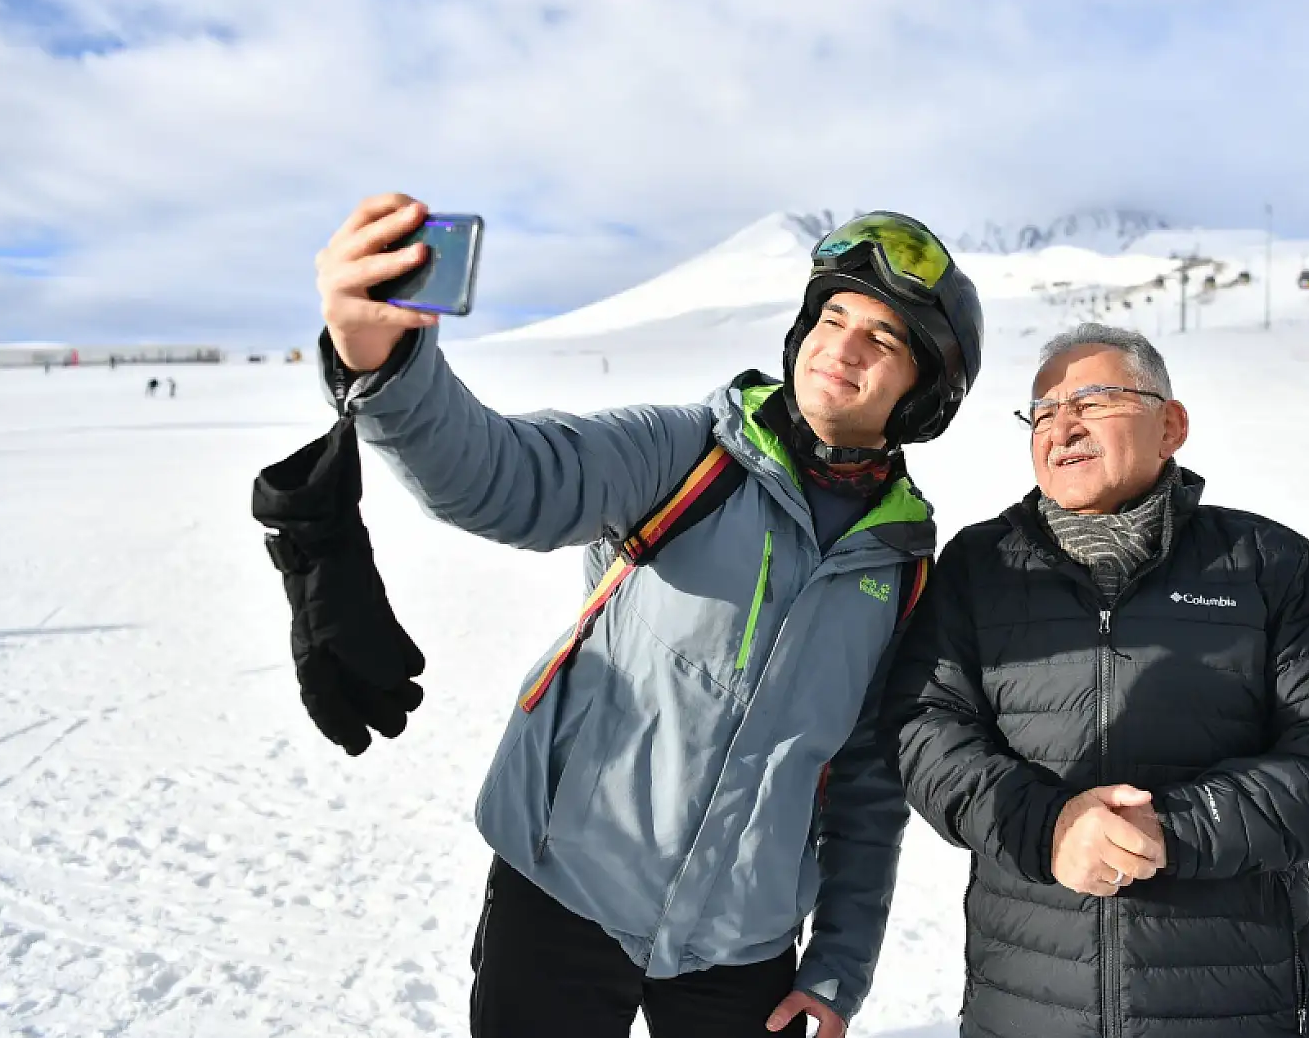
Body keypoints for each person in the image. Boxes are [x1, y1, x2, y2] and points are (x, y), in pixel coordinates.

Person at [312, 195, 984, 1038]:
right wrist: (387, 362)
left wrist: (839, 965)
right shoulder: (690, 455)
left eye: (882, 339)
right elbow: (510, 476)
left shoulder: (900, 564)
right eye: (833, 315)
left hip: (743, 945)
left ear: (926, 393)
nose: (839, 347)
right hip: (565, 891)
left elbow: (865, 785)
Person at [886, 324, 1309, 1038]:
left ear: (1171, 425)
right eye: (1041, 412)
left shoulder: (1267, 565)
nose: (1061, 425)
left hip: (1233, 1005)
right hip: (1028, 1002)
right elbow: (924, 728)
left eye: (1092, 401)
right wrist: (1050, 828)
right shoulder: (980, 569)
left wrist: (1175, 829)